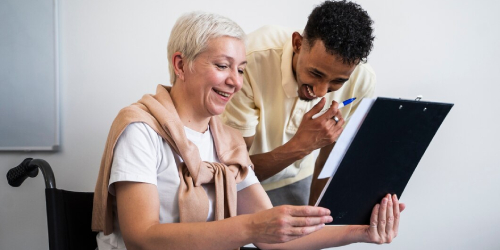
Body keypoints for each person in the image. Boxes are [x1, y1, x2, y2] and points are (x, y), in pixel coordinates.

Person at [92, 11, 403, 250]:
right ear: (180, 64)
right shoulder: (140, 131)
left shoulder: (227, 143)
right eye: (222, 66)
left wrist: (362, 232)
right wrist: (251, 228)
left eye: (240, 69)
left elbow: (274, 238)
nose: (236, 81)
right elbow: (141, 237)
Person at [221, 0, 376, 206]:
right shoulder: (249, 60)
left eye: (338, 81)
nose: (321, 92)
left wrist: (314, 215)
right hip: (240, 181)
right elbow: (234, 171)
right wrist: (302, 145)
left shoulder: (362, 81)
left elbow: (329, 163)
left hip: (300, 178)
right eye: (315, 73)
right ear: (298, 44)